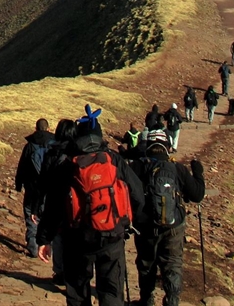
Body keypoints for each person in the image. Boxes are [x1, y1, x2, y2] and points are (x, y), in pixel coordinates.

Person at [37, 106, 145, 306]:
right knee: (111, 291)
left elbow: (53, 207)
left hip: (77, 239)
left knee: (78, 292)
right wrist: (131, 222)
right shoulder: (114, 160)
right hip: (112, 235)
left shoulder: (69, 165)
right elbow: (137, 194)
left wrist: (44, 239)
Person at [130, 129, 205, 306]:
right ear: (167, 147)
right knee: (172, 264)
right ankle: (172, 300)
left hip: (145, 225)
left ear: (148, 146)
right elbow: (197, 195)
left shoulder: (136, 167)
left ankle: (147, 300)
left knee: (146, 264)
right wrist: (198, 173)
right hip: (174, 226)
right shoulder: (177, 168)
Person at [39, 119, 77, 286]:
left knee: (59, 237)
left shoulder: (52, 153)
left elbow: (44, 182)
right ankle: (75, 273)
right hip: (77, 205)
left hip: (56, 203)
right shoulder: (79, 153)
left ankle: (60, 271)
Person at [15, 118, 55, 257]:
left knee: (31, 216)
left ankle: (33, 247)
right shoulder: (55, 144)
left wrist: (18, 184)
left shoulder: (30, 146)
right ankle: (50, 246)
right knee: (49, 216)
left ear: (36, 128)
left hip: (32, 187)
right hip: (50, 188)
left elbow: (22, 166)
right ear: (49, 128)